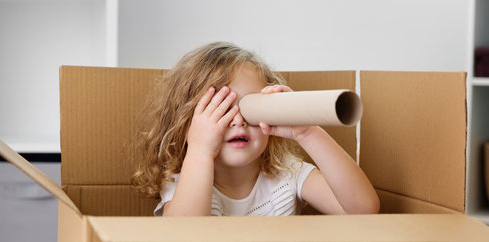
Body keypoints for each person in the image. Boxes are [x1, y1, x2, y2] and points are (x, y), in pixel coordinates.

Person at [132, 42, 380, 216]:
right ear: (186, 123)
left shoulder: (287, 174)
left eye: (249, 108)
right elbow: (182, 236)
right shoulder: (182, 180)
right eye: (220, 109)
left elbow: (362, 210)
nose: (238, 121)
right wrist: (200, 151)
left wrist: (307, 132)